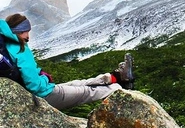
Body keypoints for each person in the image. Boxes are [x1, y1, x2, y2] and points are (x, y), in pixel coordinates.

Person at [0, 13, 135, 110]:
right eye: (26, 32)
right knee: (85, 93)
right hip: (44, 95)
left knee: (76, 84)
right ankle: (121, 87)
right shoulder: (20, 48)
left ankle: (114, 77)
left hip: (42, 92)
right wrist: (45, 78)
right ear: (18, 31)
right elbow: (35, 86)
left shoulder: (7, 45)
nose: (28, 36)